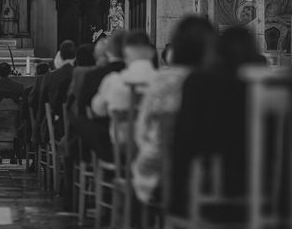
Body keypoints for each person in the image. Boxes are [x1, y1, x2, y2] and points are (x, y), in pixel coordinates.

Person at [169, 26, 264, 218]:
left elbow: (184, 139)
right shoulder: (267, 84)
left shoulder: (199, 82)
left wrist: (175, 193)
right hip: (267, 186)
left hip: (218, 185)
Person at [132, 16, 216, 204]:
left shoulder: (162, 81)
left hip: (160, 180)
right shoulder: (216, 83)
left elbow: (142, 133)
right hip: (211, 184)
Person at [91, 31, 157, 144]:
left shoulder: (114, 80)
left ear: (125, 53)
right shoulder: (162, 81)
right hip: (155, 149)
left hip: (120, 149)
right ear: (151, 53)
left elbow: (98, 109)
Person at [75, 30, 127, 161]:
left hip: (109, 143)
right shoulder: (134, 73)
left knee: (79, 119)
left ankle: (84, 160)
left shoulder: (95, 76)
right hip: (138, 142)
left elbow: (89, 109)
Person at [37, 40, 77, 141]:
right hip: (78, 126)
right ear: (75, 57)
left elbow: (42, 104)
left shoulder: (50, 77)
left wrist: (37, 130)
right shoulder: (81, 75)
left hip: (57, 127)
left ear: (61, 57)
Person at [22, 62, 49, 172]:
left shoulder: (28, 91)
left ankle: (35, 158)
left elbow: (24, 112)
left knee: (25, 126)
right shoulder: (51, 88)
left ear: (35, 74)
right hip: (47, 127)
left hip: (32, 130)